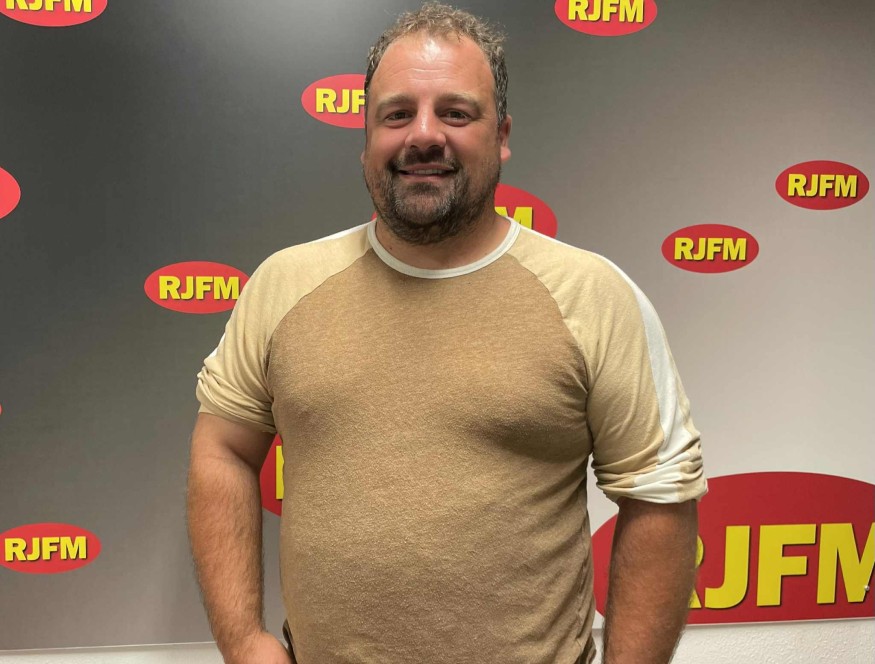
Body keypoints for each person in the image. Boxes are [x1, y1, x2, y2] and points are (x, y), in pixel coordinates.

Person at [186, 2, 706, 663]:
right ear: (366, 136)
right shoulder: (283, 285)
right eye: (397, 114)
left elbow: (660, 496)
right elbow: (223, 451)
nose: (424, 135)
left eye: (456, 113)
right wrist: (243, 642)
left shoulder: (592, 296)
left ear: (502, 134)